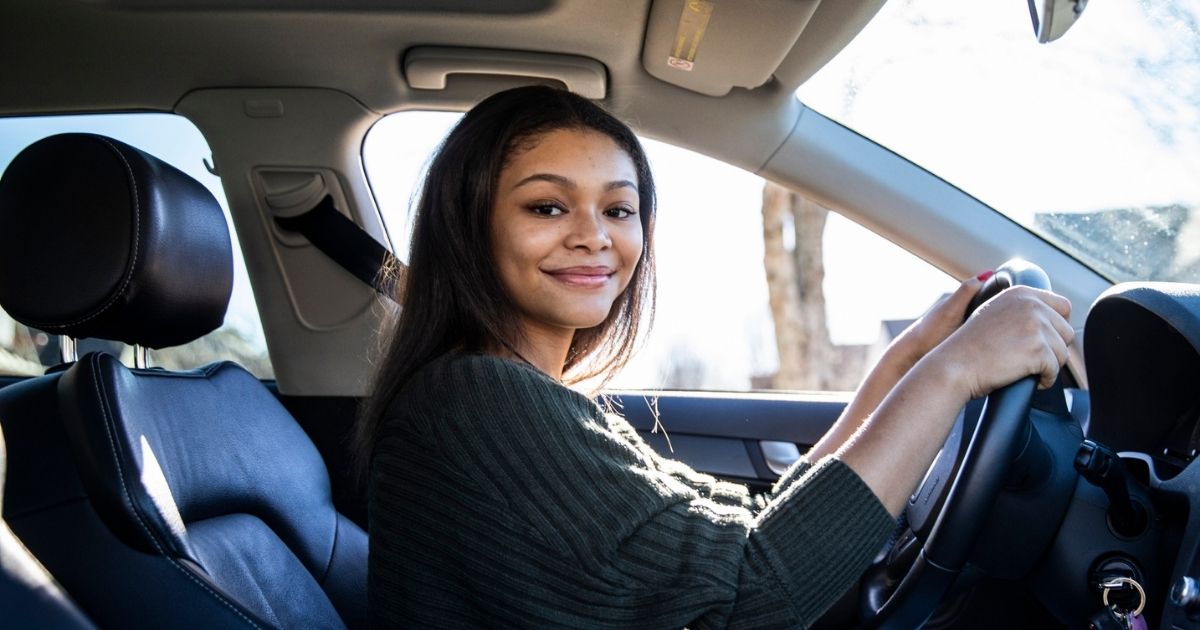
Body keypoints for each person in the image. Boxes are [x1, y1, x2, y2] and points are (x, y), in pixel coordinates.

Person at [358, 85, 1074, 628]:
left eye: (618, 209)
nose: (594, 237)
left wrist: (908, 359)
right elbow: (752, 592)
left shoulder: (526, 396)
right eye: (547, 207)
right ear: (468, 228)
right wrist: (954, 373)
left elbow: (747, 522)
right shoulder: (476, 402)